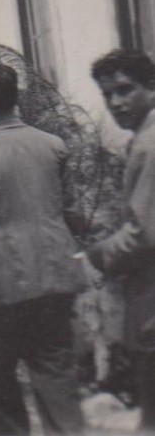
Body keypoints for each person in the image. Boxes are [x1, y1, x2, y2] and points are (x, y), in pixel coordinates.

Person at [0, 64, 85, 435]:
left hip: (4, 283)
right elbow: (74, 214)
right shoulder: (54, 145)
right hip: (56, 274)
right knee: (56, 373)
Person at [87, 49, 155, 432]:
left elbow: (143, 232)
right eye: (107, 94)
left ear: (152, 86)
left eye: (125, 90)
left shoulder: (149, 144)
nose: (116, 102)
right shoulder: (142, 138)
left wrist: (98, 254)